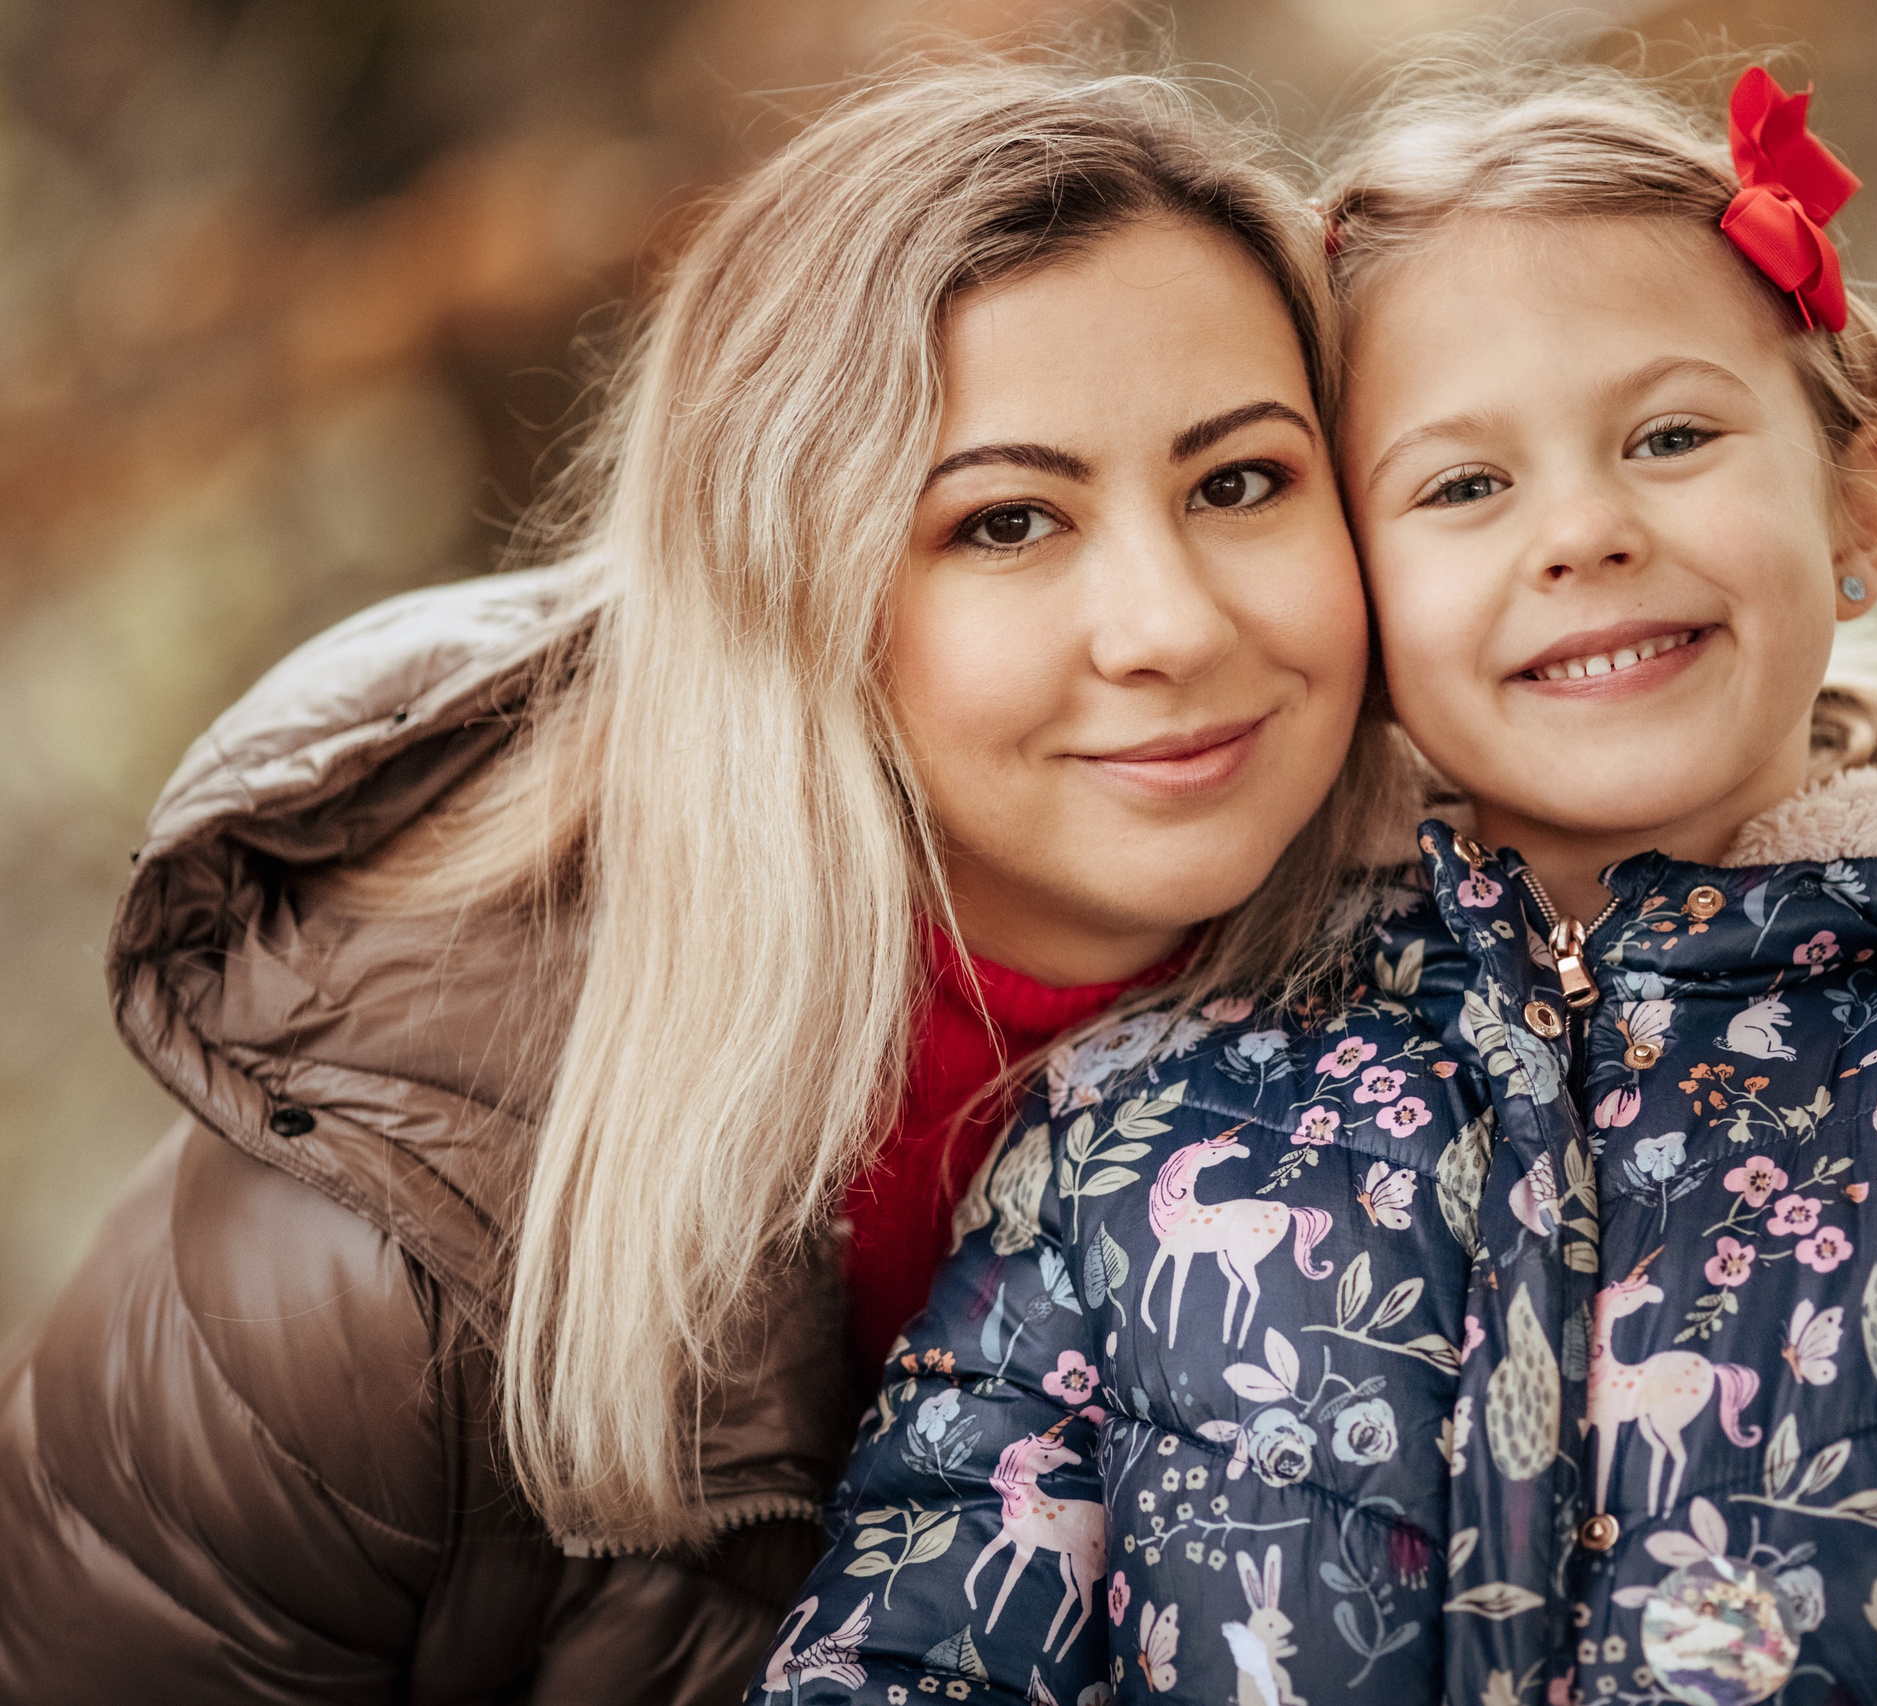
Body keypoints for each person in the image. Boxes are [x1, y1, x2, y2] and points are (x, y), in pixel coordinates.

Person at [758, 60, 1877, 1706]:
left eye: (1669, 435)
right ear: (1353, 592)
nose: (1582, 530)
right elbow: (908, 1652)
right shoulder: (1130, 1126)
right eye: (1464, 485)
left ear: (1870, 489)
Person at [0, 60, 1411, 1702]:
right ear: (782, 586)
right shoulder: (376, 1249)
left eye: (1239, 482)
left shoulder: (1542, 984)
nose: (1171, 624)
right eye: (1008, 521)